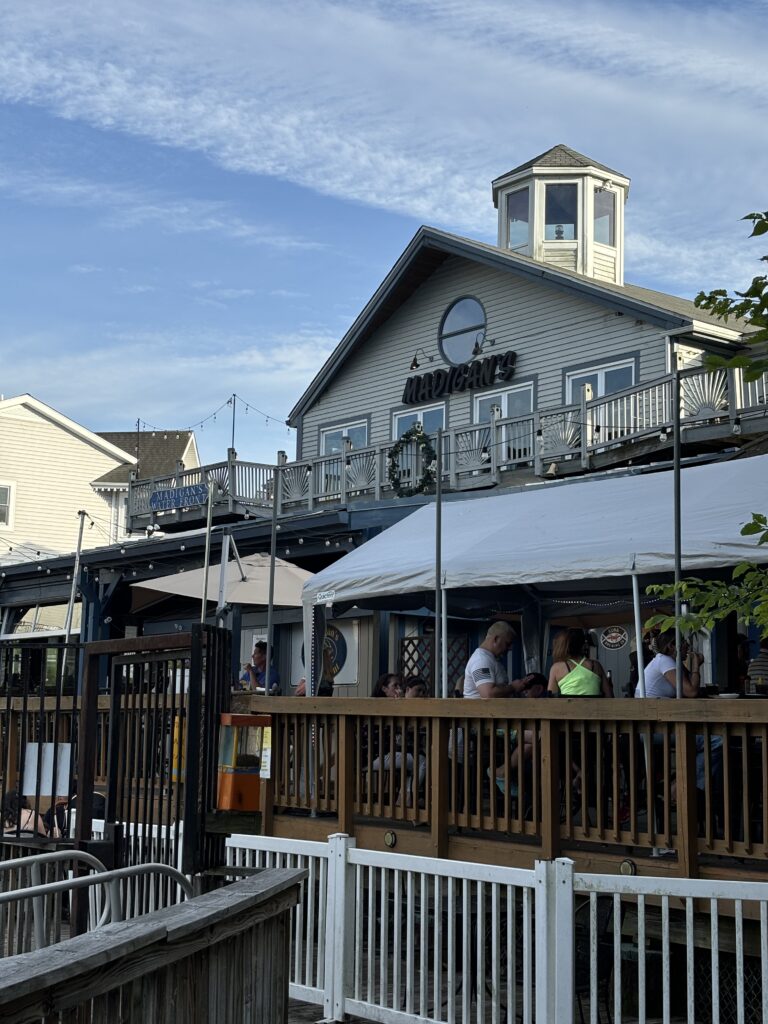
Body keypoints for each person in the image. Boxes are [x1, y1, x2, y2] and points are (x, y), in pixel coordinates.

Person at [463, 621, 528, 699]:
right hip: (479, 711)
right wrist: (513, 687)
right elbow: (488, 694)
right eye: (507, 644)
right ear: (496, 639)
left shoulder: (490, 659)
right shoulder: (481, 660)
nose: (510, 648)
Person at [548, 628, 612, 697]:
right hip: (594, 707)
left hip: (567, 707)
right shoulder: (596, 666)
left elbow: (551, 697)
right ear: (583, 645)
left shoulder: (557, 668)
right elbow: (609, 696)